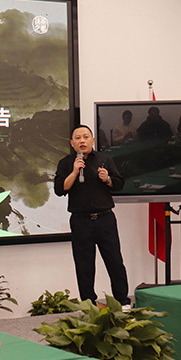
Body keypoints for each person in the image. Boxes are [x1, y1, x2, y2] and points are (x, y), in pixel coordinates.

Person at [53, 125, 130, 306]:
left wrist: (107, 179)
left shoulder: (105, 159)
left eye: (86, 137)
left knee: (115, 261)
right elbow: (59, 189)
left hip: (105, 219)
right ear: (72, 143)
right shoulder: (66, 163)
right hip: (81, 221)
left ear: (93, 140)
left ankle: (123, 301)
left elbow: (119, 184)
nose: (82, 141)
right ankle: (89, 304)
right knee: (84, 265)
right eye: (78, 138)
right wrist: (74, 172)